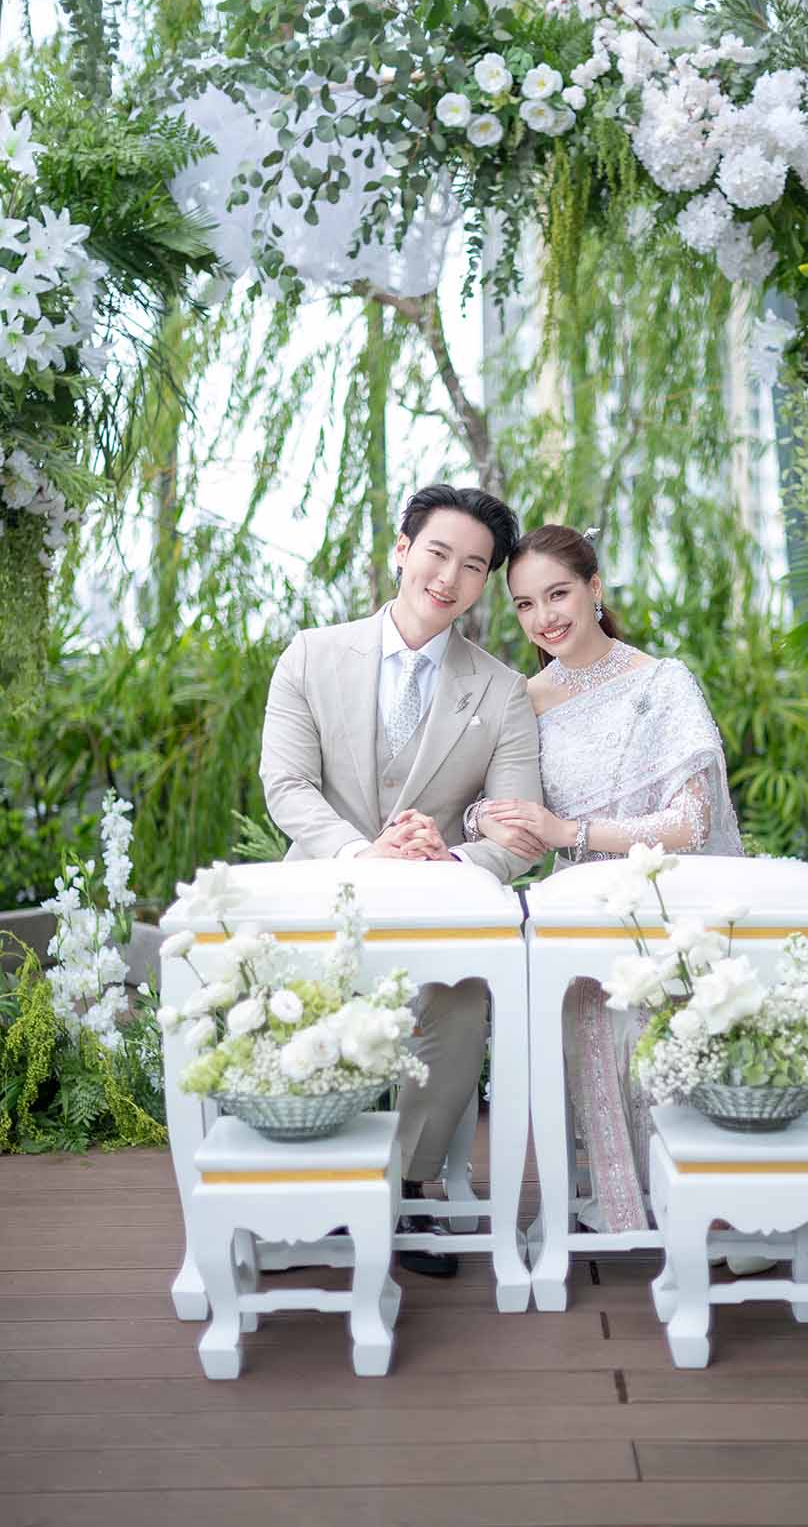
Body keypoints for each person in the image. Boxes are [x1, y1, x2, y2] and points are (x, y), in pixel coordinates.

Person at [259, 484, 543, 1275]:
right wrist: (361, 854)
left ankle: (410, 1184)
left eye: (473, 566)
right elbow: (286, 785)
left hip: (436, 907)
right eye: (438, 553)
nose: (448, 577)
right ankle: (311, 1170)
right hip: (323, 894)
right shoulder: (311, 655)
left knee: (462, 996)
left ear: (486, 582)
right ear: (402, 550)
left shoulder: (502, 691)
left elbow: (518, 829)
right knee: (289, 990)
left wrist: (445, 860)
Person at [469, 524, 743, 1237]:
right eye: (524, 604)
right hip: (576, 915)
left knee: (664, 1034)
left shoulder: (662, 683)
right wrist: (484, 818)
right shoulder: (523, 700)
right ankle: (618, 1200)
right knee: (586, 1020)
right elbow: (488, 804)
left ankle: (706, 1207)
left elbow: (691, 820)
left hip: (667, 901)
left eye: (557, 594)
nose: (544, 617)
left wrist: (573, 833)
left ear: (594, 588)